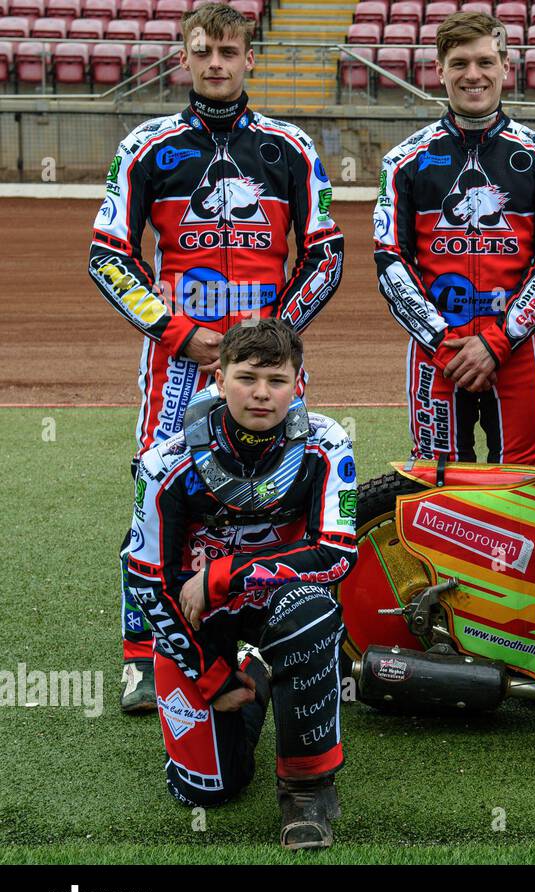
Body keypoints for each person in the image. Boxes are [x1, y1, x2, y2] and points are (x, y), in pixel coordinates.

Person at [89, 2, 344, 713]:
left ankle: (274, 631)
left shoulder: (291, 145)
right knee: (157, 493)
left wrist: (268, 341)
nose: (216, 63)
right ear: (185, 56)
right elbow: (109, 256)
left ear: (250, 58)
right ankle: (146, 653)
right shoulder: (146, 144)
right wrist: (176, 331)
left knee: (290, 489)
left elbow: (326, 254)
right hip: (178, 359)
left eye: (229, 51)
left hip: (266, 362)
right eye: (203, 51)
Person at [124, 320, 356, 849]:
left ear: (298, 383)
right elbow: (145, 578)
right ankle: (249, 680)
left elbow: (337, 554)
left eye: (276, 380)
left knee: (312, 616)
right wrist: (212, 678)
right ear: (219, 378)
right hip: (198, 621)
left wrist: (226, 573)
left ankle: (306, 789)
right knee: (206, 790)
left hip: (280, 603)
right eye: (246, 377)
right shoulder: (165, 461)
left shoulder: (328, 442)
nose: (260, 393)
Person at [374, 10, 535, 465]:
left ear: (506, 68)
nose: (473, 74)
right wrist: (443, 343)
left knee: (526, 484)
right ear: (439, 70)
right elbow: (390, 261)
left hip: (515, 349)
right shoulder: (402, 161)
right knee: (436, 486)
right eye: (459, 63)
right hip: (436, 352)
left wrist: (497, 343)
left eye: (485, 61)